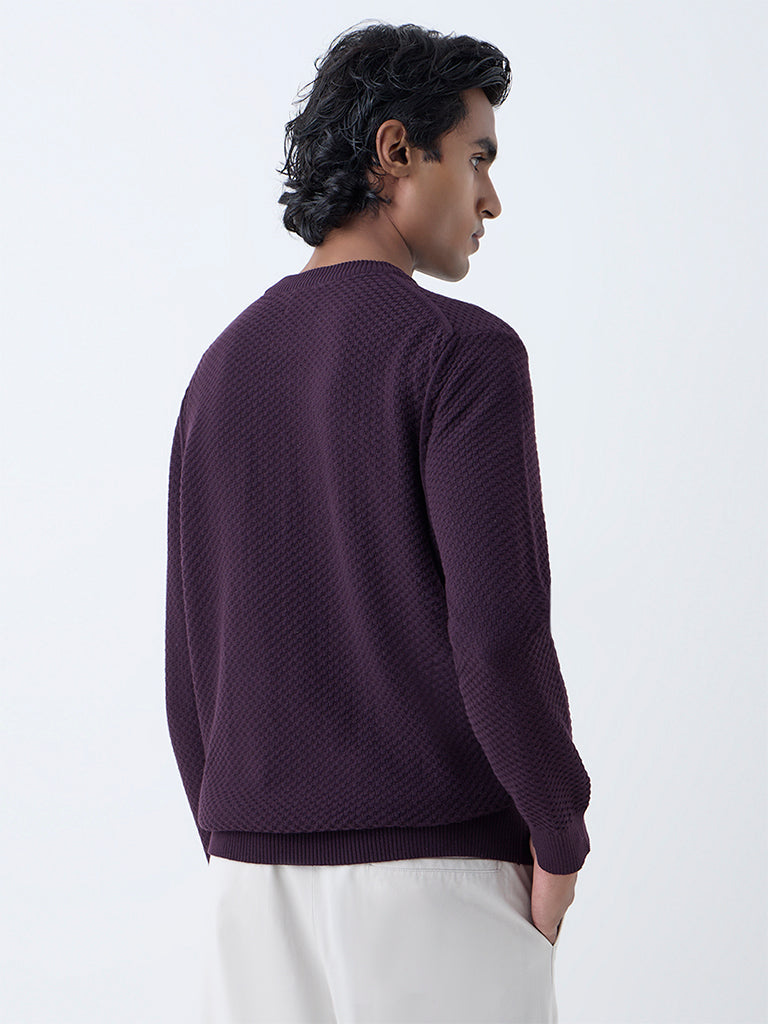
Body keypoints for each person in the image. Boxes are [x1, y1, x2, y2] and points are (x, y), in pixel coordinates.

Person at [165, 20, 592, 1024]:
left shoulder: (220, 370)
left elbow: (191, 663)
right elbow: (499, 635)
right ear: (396, 150)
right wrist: (558, 838)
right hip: (438, 878)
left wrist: (235, 842)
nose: (491, 199)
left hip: (250, 883)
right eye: (477, 158)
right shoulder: (461, 353)